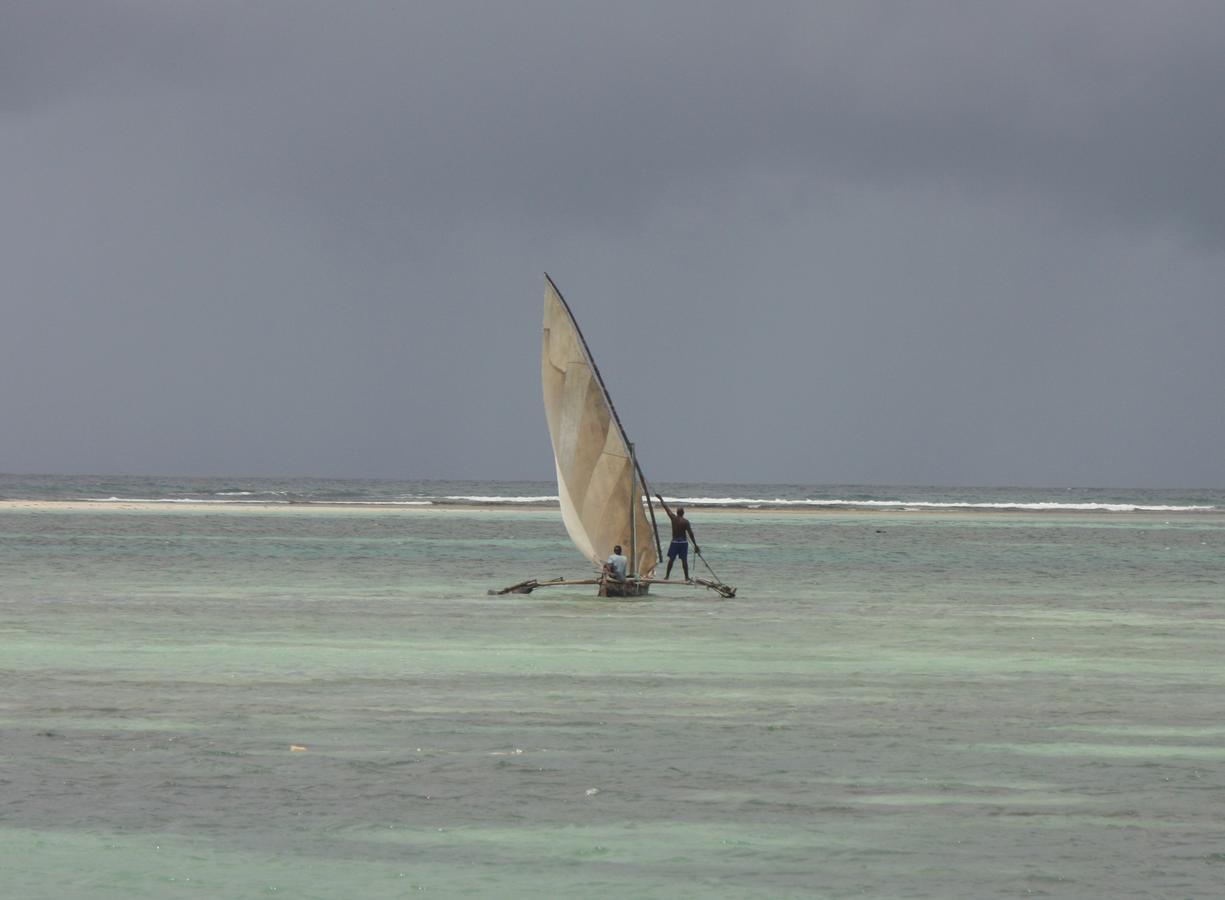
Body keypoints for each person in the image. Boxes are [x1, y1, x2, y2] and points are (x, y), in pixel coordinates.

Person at [655, 495, 699, 581]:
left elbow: (666, 508)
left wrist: (661, 499)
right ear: (683, 513)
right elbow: (691, 534)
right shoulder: (686, 522)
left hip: (675, 542)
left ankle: (667, 576)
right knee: (684, 560)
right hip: (683, 543)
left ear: (677, 513)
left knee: (671, 560)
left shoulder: (673, 518)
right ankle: (686, 577)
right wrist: (695, 545)